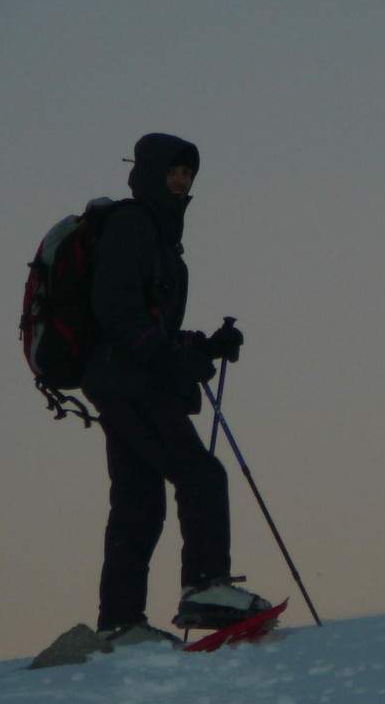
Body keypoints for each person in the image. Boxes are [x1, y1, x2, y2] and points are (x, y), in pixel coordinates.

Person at [82, 132, 270, 644]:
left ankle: (120, 622)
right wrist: (168, 355)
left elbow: (150, 324)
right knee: (200, 474)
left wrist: (204, 347)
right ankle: (206, 588)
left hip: (121, 378)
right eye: (173, 171)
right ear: (151, 173)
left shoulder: (160, 238)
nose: (182, 180)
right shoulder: (134, 225)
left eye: (188, 173)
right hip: (129, 380)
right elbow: (115, 306)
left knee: (138, 504)